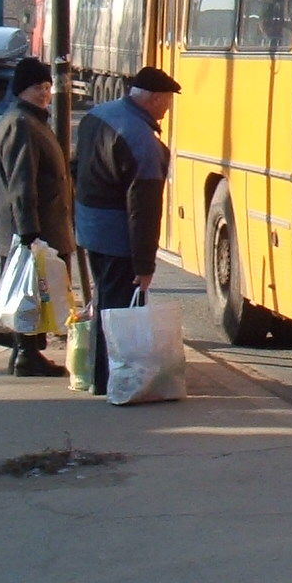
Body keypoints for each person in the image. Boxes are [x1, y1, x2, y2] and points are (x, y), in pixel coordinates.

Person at [74, 66, 180, 395]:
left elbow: (76, 167)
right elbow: (143, 210)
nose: (167, 108)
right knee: (120, 313)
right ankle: (114, 380)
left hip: (90, 228)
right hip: (117, 235)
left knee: (105, 303)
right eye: (166, 101)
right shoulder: (141, 141)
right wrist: (144, 266)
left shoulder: (98, 115)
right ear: (153, 98)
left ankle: (99, 376)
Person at [0, 57, 71, 376]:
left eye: (48, 86)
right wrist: (29, 233)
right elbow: (22, 181)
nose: (45, 92)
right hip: (34, 229)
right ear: (22, 90)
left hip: (39, 227)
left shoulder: (33, 121)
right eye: (38, 87)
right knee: (31, 292)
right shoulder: (22, 124)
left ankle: (25, 353)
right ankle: (26, 354)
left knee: (35, 291)